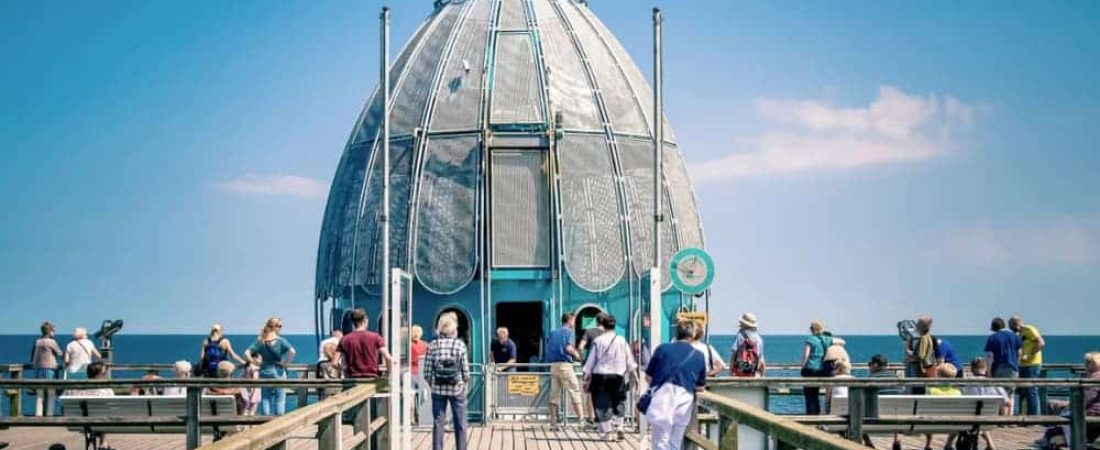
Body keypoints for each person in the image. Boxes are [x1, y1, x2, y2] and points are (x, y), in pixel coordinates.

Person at [645, 320, 707, 450]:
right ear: (692, 336)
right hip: (684, 399)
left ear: (676, 334)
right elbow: (700, 386)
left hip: (662, 398)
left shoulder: (662, 349)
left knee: (660, 440)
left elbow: (648, 377)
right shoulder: (699, 356)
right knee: (675, 440)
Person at [583, 314, 637, 441]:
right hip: (618, 375)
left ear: (603, 326)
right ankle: (619, 426)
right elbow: (629, 360)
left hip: (600, 376)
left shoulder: (598, 341)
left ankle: (608, 433)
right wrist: (634, 375)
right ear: (614, 325)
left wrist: (586, 376)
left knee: (602, 403)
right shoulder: (621, 340)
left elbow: (591, 361)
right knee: (618, 400)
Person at [1036, 352, 1100, 449]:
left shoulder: (1093, 378)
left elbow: (1086, 398)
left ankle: (1072, 443)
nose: (1086, 364)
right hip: (1093, 411)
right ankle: (1051, 437)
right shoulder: (1091, 376)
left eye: (1089, 362)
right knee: (1063, 414)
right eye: (1086, 361)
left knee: (1065, 417)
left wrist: (1072, 406)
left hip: (1092, 413)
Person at [424, 313, 469, 450]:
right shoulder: (460, 345)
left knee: (438, 422)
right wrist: (463, 383)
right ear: (454, 329)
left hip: (438, 389)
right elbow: (465, 370)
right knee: (460, 422)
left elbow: (427, 371)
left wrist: (432, 384)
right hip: (456, 389)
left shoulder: (432, 345)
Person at [945, 357, 1004, 450]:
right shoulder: (994, 384)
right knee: (979, 418)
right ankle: (990, 444)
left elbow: (956, 394)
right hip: (987, 420)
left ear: (972, 369)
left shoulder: (965, 383)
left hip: (966, 419)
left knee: (962, 418)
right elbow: (1007, 402)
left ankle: (948, 443)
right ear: (985, 369)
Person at [244, 317, 297, 416]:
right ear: (275, 327)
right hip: (278, 372)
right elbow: (292, 352)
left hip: (264, 371)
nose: (281, 328)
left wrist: (254, 362)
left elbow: (246, 353)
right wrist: (286, 363)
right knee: (280, 398)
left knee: (265, 398)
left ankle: (265, 422)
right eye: (280, 326)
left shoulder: (260, 341)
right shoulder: (280, 341)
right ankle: (278, 422)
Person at [545, 312, 585, 429]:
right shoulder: (568, 332)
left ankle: (553, 423)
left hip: (554, 366)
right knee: (575, 391)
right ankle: (581, 421)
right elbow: (568, 348)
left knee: (554, 395)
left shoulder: (553, 332)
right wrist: (578, 356)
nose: (574, 322)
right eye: (574, 320)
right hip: (565, 365)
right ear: (569, 320)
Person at [65, 362, 113, 450]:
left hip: (81, 423)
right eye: (105, 372)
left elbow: (66, 396)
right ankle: (103, 443)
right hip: (101, 422)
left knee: (97, 415)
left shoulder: (76, 390)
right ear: (101, 374)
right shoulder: (106, 390)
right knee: (103, 415)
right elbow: (111, 407)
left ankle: (102, 444)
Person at [334, 308, 391, 379]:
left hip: (351, 380)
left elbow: (334, 363)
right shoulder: (376, 337)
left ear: (352, 322)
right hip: (370, 381)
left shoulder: (344, 339)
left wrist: (344, 370)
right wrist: (389, 372)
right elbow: (388, 357)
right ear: (364, 320)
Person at [864, 355, 903, 450]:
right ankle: (896, 439)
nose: (869, 367)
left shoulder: (872, 379)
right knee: (896, 410)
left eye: (870, 364)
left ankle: (867, 442)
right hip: (896, 421)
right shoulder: (895, 378)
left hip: (875, 419)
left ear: (876, 365)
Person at [801, 320, 839, 415]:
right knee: (816, 393)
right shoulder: (825, 339)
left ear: (812, 329)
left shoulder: (810, 339)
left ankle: (810, 415)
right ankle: (817, 415)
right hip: (820, 369)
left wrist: (802, 367)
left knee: (809, 395)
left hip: (810, 369)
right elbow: (842, 341)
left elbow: (806, 355)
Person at [985, 317, 1022, 414]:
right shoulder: (1014, 336)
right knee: (1011, 394)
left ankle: (1003, 418)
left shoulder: (992, 338)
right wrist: (1017, 364)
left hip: (999, 367)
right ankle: (1010, 419)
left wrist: (988, 371)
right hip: (1013, 367)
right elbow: (1020, 352)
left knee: (1001, 393)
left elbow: (990, 356)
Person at [1010, 316, 1046, 415]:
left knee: (1031, 390)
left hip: (1032, 364)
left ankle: (1034, 416)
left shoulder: (1029, 329)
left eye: (1011, 326)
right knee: (1023, 391)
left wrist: (1029, 355)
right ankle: (1024, 414)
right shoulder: (1019, 333)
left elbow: (1041, 343)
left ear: (1015, 324)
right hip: (1023, 364)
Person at [30, 321, 63, 416]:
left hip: (39, 370)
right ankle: (49, 415)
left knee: (39, 393)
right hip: (50, 370)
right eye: (54, 331)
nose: (55, 333)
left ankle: (38, 415)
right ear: (50, 331)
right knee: (51, 393)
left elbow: (33, 357)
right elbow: (60, 353)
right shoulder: (52, 342)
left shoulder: (38, 342)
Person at [903, 315, 938, 395]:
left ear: (922, 326)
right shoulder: (928, 336)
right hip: (926, 370)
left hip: (920, 373)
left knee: (917, 393)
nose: (916, 325)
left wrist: (907, 348)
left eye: (918, 323)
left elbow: (920, 356)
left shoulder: (923, 338)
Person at [729, 313, 765, 377]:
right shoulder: (759, 339)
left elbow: (733, 356)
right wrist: (762, 376)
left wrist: (730, 372)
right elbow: (762, 361)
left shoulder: (739, 336)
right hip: (753, 374)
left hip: (739, 374)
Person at [410, 325, 429, 425]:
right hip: (422, 373)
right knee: (423, 394)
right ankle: (424, 417)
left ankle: (412, 418)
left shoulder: (408, 345)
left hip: (411, 373)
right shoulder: (425, 345)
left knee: (411, 396)